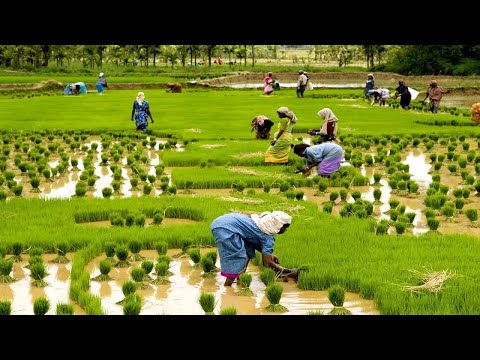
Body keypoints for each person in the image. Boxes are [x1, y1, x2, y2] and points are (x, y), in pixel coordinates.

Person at [210, 210, 299, 286]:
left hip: (221, 222)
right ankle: (227, 287)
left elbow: (254, 242)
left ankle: (242, 281)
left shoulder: (259, 223)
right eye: (284, 227)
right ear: (277, 225)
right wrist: (288, 272)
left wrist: (269, 254)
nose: (285, 230)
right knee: (239, 258)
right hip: (225, 228)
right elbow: (266, 263)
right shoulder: (268, 237)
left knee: (247, 251)